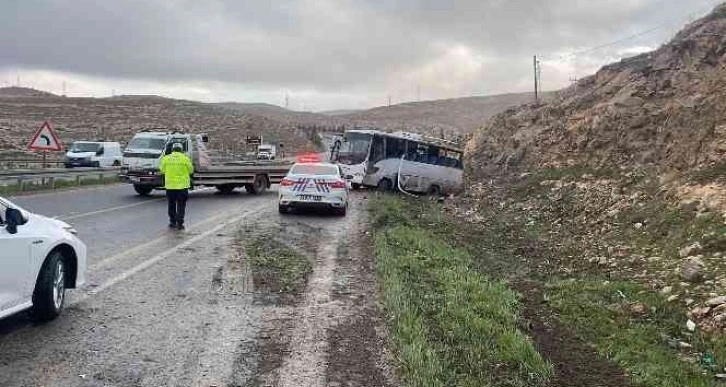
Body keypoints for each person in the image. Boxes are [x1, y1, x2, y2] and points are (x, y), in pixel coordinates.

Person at [160, 142, 194, 230]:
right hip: (182, 186)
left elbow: (162, 170)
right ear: (181, 150)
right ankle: (180, 223)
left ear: (172, 149)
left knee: (171, 204)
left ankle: (172, 221)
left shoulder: (166, 158)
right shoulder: (185, 158)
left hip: (170, 186)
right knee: (181, 205)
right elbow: (191, 170)